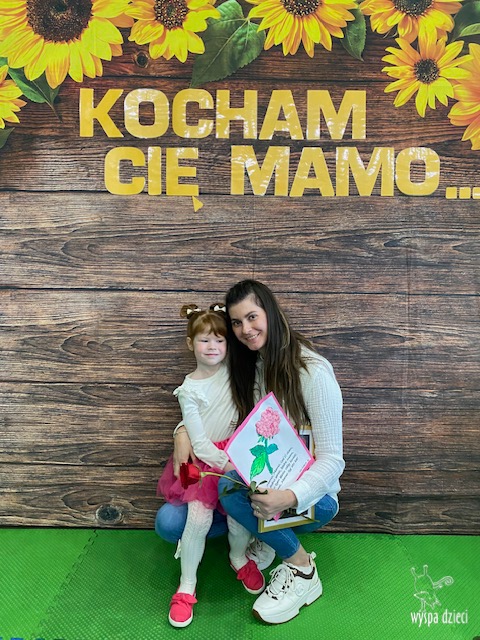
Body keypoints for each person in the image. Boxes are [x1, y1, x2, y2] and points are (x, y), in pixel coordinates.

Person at [216, 279, 345, 625]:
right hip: (272, 484)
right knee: (228, 485)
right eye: (237, 322)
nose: (245, 329)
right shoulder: (255, 366)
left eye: (252, 317)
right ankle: (271, 537)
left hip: (315, 499)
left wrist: (288, 497)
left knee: (231, 491)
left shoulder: (313, 372)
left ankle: (303, 569)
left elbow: (333, 460)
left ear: (270, 312)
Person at [157, 303, 265, 628]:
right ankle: (186, 585)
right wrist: (228, 464)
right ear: (191, 343)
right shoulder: (188, 390)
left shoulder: (233, 371)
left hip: (236, 453)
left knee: (238, 518)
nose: (213, 347)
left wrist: (239, 460)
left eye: (219, 340)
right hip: (205, 463)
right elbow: (200, 442)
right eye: (205, 340)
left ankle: (238, 557)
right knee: (197, 521)